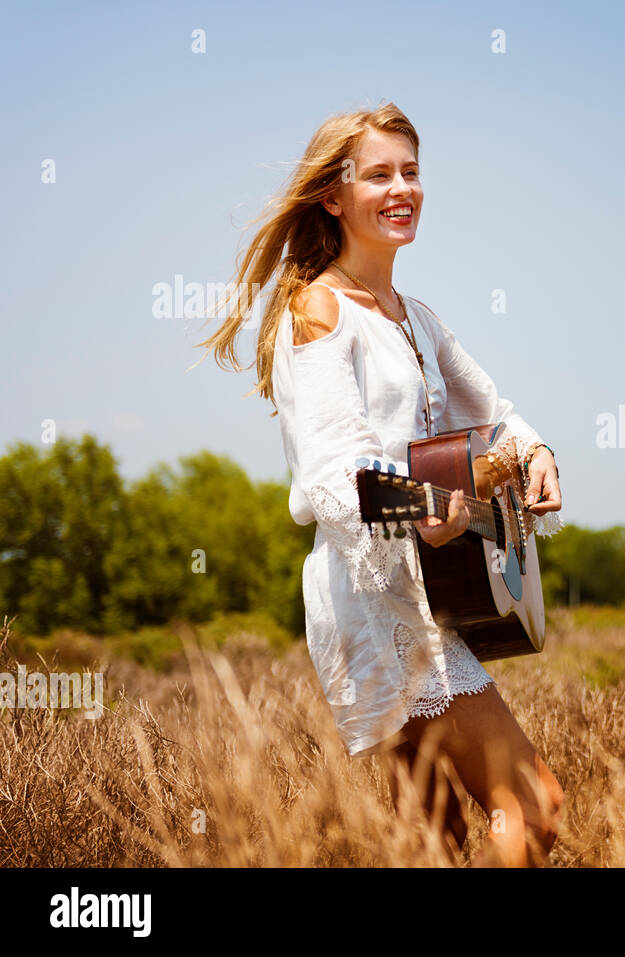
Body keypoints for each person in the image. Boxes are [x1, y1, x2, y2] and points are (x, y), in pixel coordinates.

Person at [196, 103, 565, 867]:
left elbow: (494, 413)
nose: (402, 189)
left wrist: (536, 452)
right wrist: (427, 510)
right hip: (379, 606)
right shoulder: (320, 308)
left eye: (412, 172)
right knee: (533, 806)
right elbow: (339, 477)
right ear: (334, 195)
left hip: (427, 591)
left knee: (437, 841)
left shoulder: (416, 316)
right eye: (380, 174)